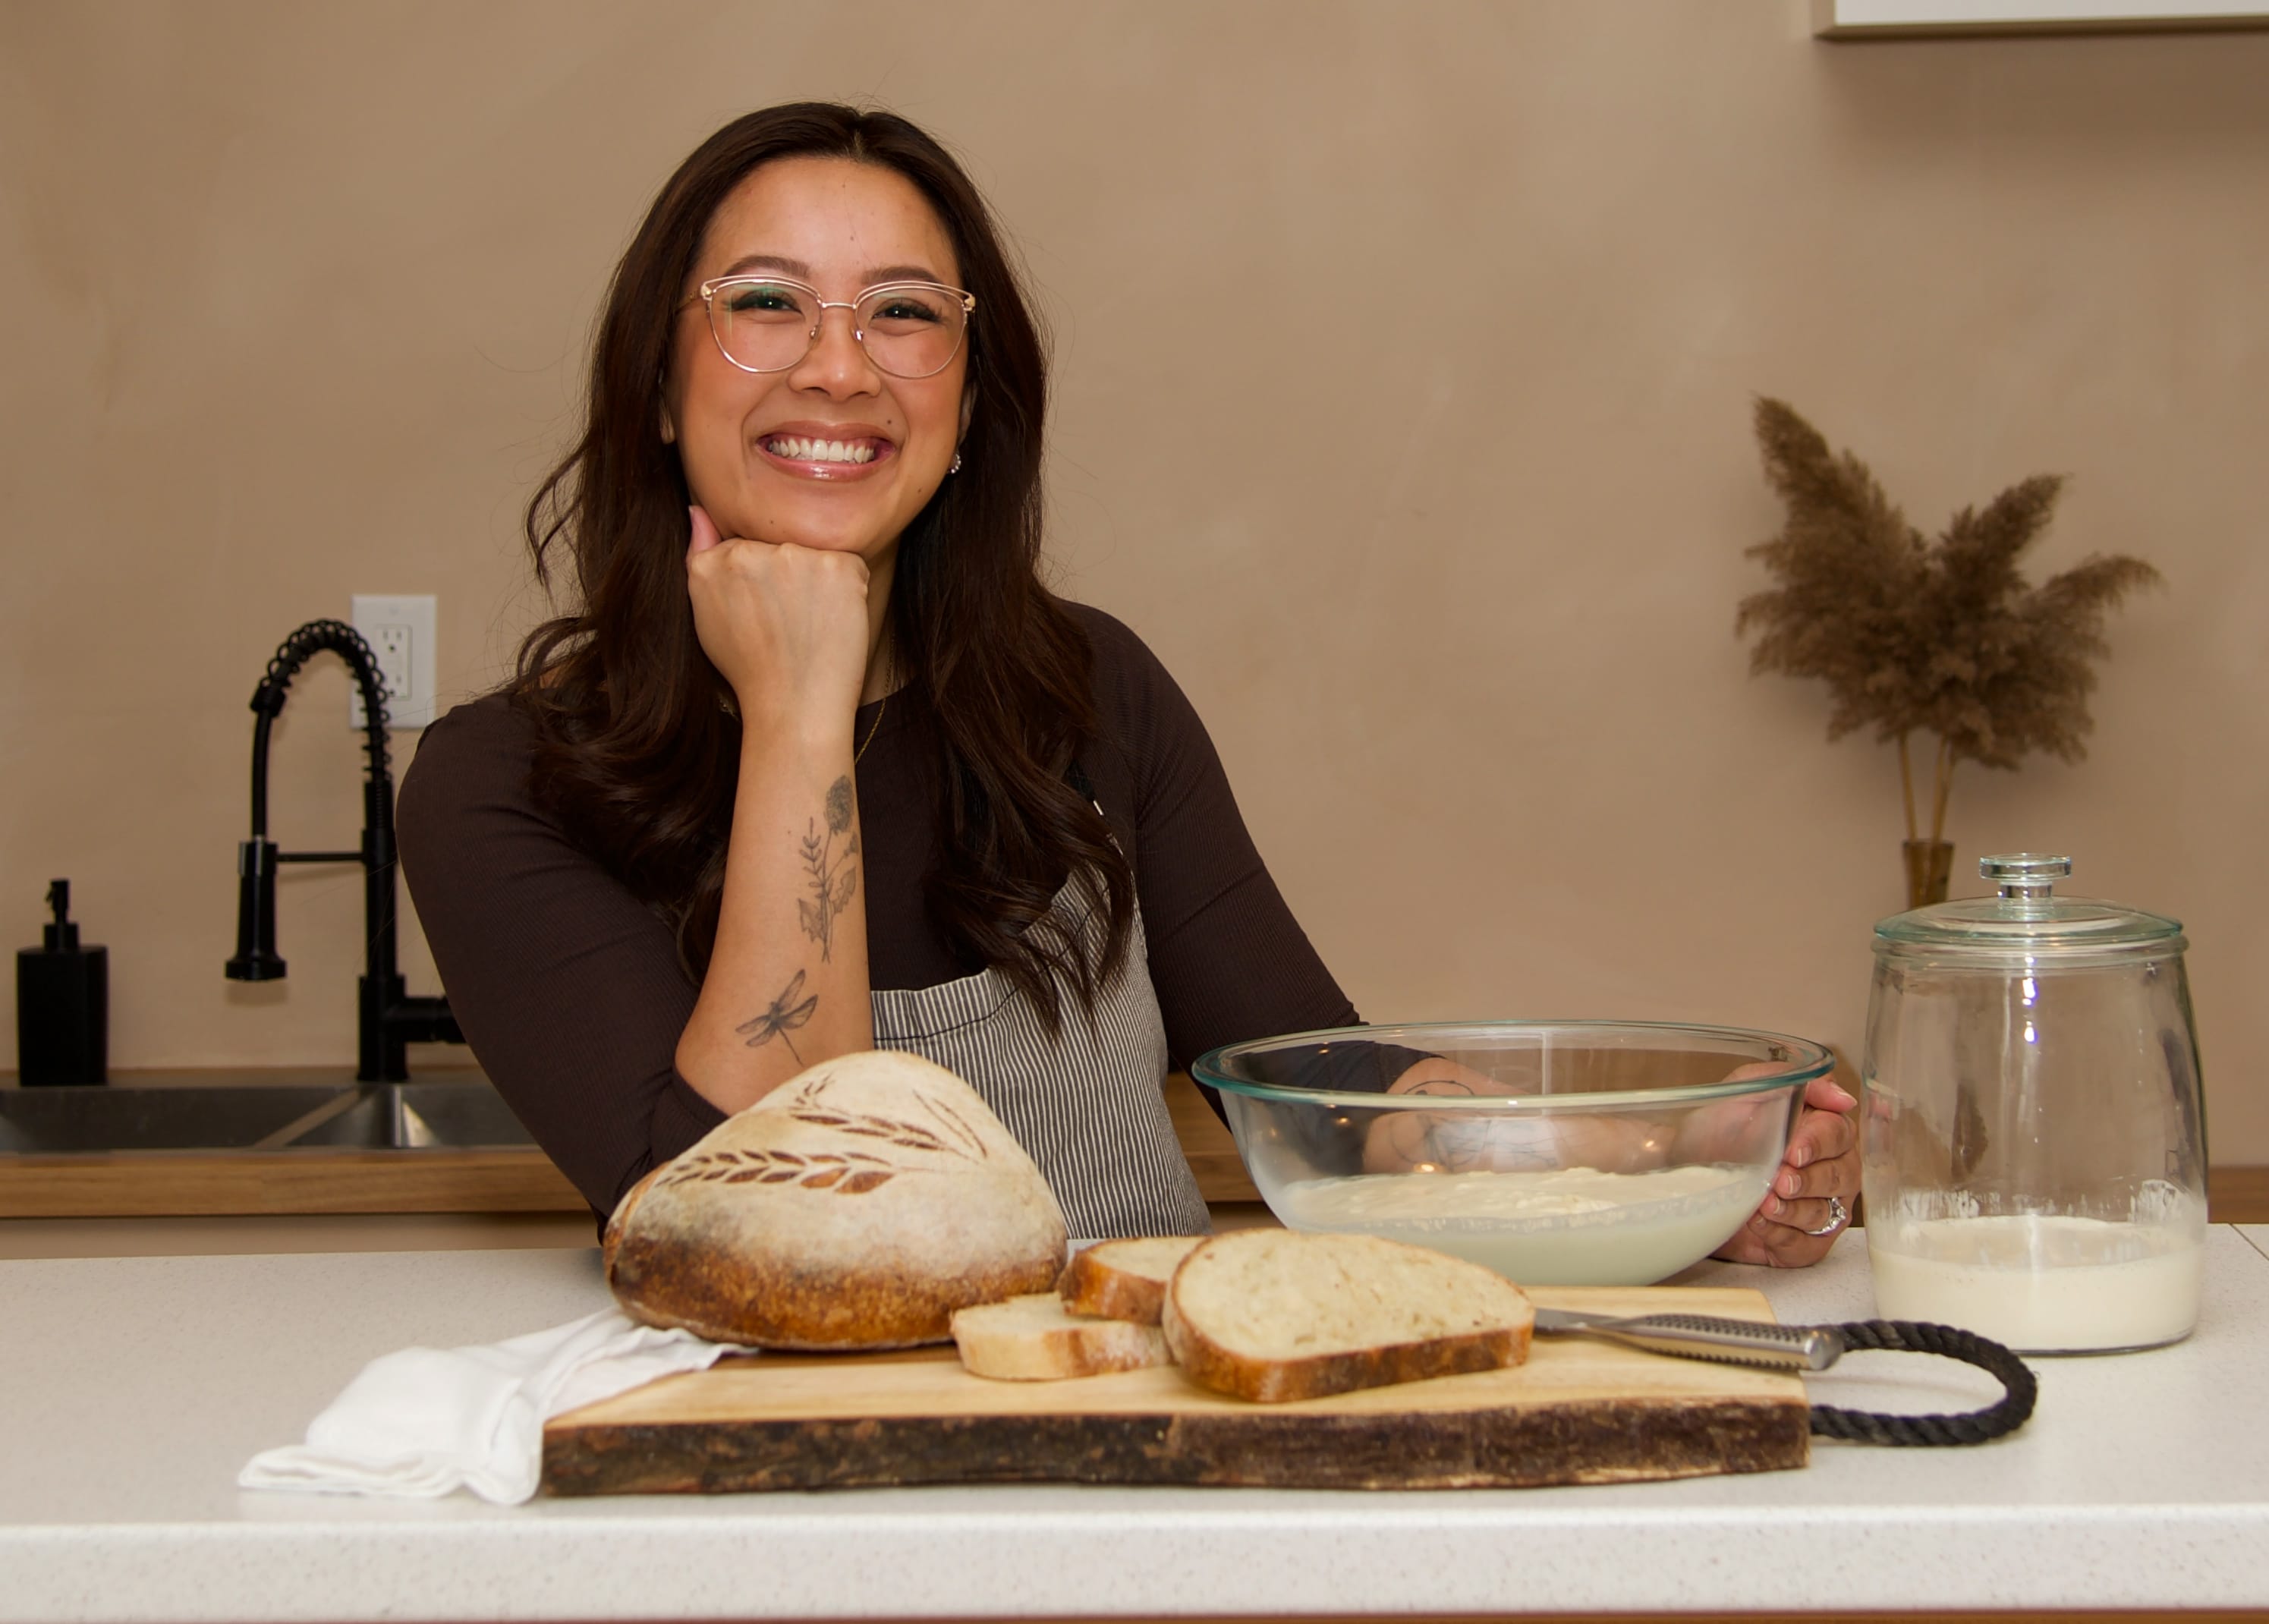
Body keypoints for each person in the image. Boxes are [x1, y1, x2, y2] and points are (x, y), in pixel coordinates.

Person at [398, 102, 1857, 1260]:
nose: (838, 368)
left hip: (1150, 1475)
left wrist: (1673, 1169)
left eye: (903, 313)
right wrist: (797, 711)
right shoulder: (500, 787)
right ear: (660, 388)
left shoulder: (1092, 691)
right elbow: (764, 1227)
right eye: (767, 301)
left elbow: (1330, 1093)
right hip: (789, 1512)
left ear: (966, 405)